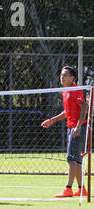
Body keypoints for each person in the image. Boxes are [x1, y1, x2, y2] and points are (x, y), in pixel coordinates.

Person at [41, 66, 88, 198]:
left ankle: (68, 189)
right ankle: (81, 189)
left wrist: (78, 126)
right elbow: (67, 112)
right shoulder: (65, 91)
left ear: (72, 77)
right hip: (71, 127)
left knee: (71, 159)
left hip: (78, 128)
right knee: (76, 160)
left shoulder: (75, 89)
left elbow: (84, 107)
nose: (62, 77)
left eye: (65, 75)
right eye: (61, 75)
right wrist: (52, 120)